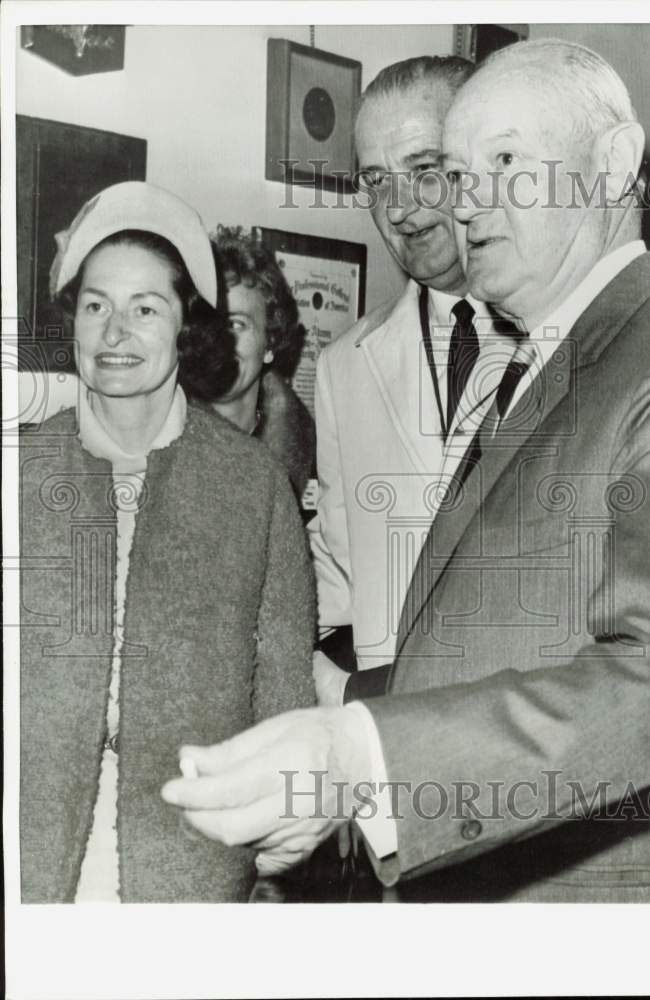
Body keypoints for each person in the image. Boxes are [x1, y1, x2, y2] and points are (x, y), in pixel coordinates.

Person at [161, 39, 650, 903]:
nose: (465, 202)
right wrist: (349, 791)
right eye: (461, 169)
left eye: (504, 161)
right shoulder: (535, 365)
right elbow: (470, 643)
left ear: (614, 164)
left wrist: (366, 760)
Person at [19, 181, 315, 903]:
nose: (114, 332)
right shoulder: (20, 474)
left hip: (192, 865)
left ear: (188, 327)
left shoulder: (251, 485)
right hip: (28, 861)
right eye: (96, 306)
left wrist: (275, 837)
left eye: (144, 308)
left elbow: (282, 690)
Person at [309, 55, 520, 699]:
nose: (399, 211)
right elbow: (338, 582)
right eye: (376, 181)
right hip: (391, 750)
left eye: (424, 172)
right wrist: (345, 697)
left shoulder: (565, 331)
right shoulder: (344, 363)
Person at [211, 228, 316, 502]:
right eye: (209, 323)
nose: (218, 341)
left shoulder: (315, 461)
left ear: (269, 344)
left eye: (237, 324)